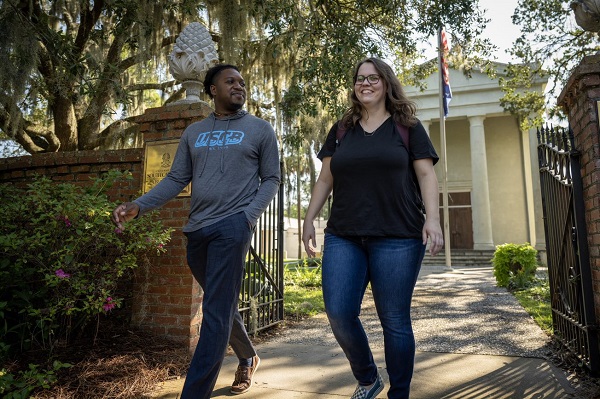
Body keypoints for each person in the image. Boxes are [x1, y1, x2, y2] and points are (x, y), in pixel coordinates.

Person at [111, 64, 280, 399]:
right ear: (213, 89)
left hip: (233, 226)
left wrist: (248, 216)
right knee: (223, 305)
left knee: (215, 315)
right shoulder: (194, 132)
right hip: (197, 230)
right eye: (230, 81)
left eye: (242, 82)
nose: (238, 86)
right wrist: (139, 205)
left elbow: (271, 178)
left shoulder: (260, 129)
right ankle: (248, 356)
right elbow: (176, 179)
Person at [302, 57, 443, 399]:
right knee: (338, 312)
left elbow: (426, 174)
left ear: (386, 83)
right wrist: (309, 218)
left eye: (373, 78)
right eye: (359, 79)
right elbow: (325, 178)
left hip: (399, 235)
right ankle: (367, 377)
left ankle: (400, 393)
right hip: (344, 234)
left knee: (393, 319)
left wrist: (433, 219)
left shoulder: (407, 126)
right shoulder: (342, 128)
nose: (365, 83)